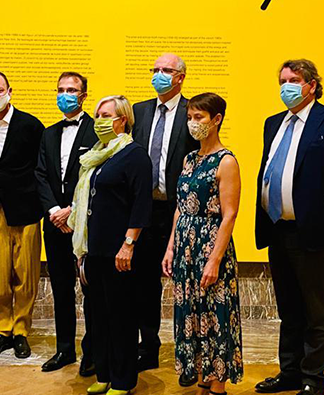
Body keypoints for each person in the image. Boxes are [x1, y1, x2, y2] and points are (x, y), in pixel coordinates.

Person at [254, 60, 324, 395]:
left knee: (315, 308)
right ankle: (289, 372)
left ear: (312, 85)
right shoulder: (273, 123)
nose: (286, 86)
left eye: (293, 80)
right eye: (282, 81)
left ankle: (312, 378)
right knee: (288, 307)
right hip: (278, 228)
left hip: (314, 231)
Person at [68, 95, 152, 395]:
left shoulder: (134, 155)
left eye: (106, 115)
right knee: (98, 316)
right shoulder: (97, 154)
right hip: (94, 250)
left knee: (121, 317)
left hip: (119, 251)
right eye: (97, 115)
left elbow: (141, 204)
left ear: (123, 119)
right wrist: (82, 251)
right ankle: (103, 373)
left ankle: (123, 380)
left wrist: (128, 244)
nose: (99, 121)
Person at [162, 93, 244, 395]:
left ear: (216, 119)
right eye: (189, 117)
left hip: (210, 246)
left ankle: (218, 386)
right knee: (191, 314)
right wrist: (171, 247)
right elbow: (180, 207)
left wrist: (214, 259)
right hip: (185, 247)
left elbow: (229, 214)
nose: (193, 123)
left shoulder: (226, 161)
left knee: (214, 314)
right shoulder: (189, 159)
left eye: (199, 117)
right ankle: (201, 380)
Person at [132, 53, 199, 375]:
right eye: (155, 69)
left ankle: (190, 351)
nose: (159, 75)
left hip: (179, 211)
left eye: (166, 70)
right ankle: (148, 346)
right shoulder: (139, 111)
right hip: (145, 210)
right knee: (144, 283)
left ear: (180, 77)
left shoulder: (192, 112)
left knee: (185, 283)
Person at [0, 70, 45, 359]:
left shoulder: (30, 124)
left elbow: (41, 164)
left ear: (10, 91)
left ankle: (21, 331)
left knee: (25, 275)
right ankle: (2, 329)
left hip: (26, 209)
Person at [35, 72, 98, 375]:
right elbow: (40, 175)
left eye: (71, 90)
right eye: (61, 89)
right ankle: (64, 349)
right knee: (61, 288)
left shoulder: (96, 131)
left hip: (84, 222)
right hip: (54, 222)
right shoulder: (48, 133)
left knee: (91, 289)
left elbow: (95, 176)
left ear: (83, 95)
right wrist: (53, 210)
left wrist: (72, 211)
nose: (65, 95)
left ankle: (92, 351)